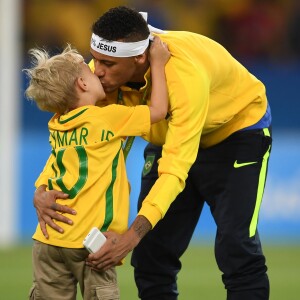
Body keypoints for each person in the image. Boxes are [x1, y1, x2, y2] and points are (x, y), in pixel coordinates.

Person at [33, 6, 272, 300]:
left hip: (236, 133)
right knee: (150, 260)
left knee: (237, 249)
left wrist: (130, 237)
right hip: (170, 137)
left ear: (140, 58)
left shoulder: (183, 77)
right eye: (95, 61)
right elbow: (73, 140)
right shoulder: (100, 78)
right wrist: (41, 189)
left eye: (108, 63)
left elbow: (175, 168)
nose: (98, 71)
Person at [24, 39, 170, 300]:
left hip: (48, 240)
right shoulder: (107, 117)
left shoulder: (56, 124)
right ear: (82, 84)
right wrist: (157, 64)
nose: (98, 74)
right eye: (91, 72)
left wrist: (40, 189)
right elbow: (158, 110)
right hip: (91, 242)